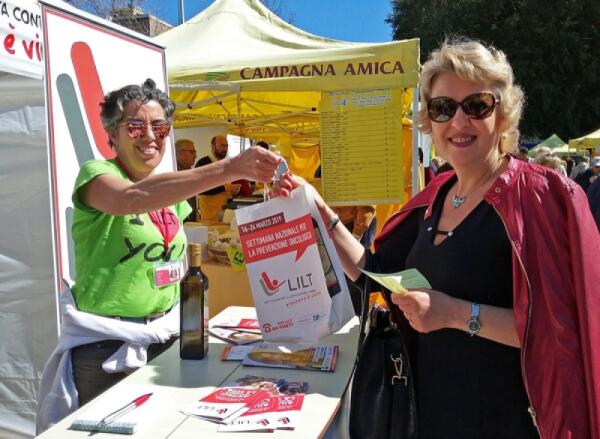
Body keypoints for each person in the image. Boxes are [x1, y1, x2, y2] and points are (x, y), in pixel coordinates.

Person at [276, 39, 600, 438]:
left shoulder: (536, 197)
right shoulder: (436, 196)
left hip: (504, 419)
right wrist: (318, 211)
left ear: (502, 114)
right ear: (430, 120)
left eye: (477, 105)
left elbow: (563, 329)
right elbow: (376, 274)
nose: (458, 121)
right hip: (429, 411)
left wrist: (454, 314)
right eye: (443, 108)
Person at [37, 79, 281, 431]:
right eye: (135, 126)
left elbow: (176, 260)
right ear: (113, 133)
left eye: (160, 126)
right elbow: (131, 198)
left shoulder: (171, 193)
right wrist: (229, 168)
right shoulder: (97, 175)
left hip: (165, 340)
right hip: (107, 346)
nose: (150, 135)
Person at [195, 134, 241, 220]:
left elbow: (225, 188)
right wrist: (225, 188)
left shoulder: (226, 164)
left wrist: (233, 191)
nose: (225, 149)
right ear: (213, 146)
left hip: (226, 210)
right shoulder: (203, 163)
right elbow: (202, 188)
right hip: (210, 213)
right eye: (222, 145)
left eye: (226, 146)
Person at [175, 138, 198, 221]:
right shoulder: (171, 172)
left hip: (191, 221)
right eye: (192, 152)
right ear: (180, 153)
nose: (195, 156)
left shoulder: (191, 172)